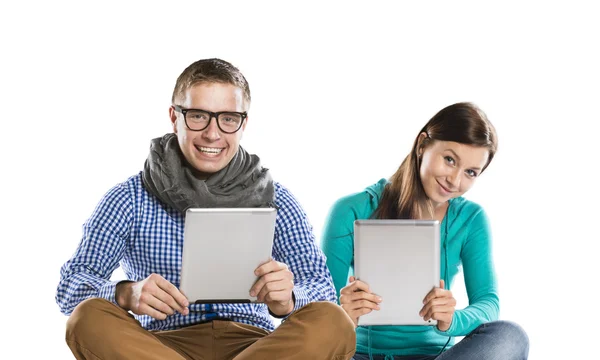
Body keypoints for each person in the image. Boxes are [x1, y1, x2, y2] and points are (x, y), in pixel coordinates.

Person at [56, 58, 355, 360]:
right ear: (174, 117)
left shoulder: (278, 200)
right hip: (161, 348)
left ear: (243, 123)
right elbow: (70, 287)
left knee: (333, 322)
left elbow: (323, 291)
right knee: (86, 318)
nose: (213, 134)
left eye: (228, 118)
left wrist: (288, 299)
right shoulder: (129, 198)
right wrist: (126, 293)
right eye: (198, 116)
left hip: (257, 348)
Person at [321, 102, 529, 359]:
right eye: (450, 160)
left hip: (436, 356)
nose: (455, 180)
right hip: (361, 354)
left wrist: (453, 319)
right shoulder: (351, 210)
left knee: (510, 336)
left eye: (470, 172)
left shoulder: (471, 219)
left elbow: (488, 303)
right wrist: (343, 313)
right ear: (422, 146)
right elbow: (321, 304)